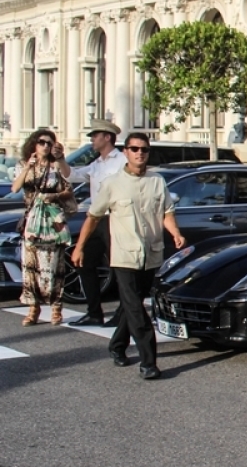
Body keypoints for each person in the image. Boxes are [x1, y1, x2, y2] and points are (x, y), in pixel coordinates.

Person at [72, 132, 184, 379]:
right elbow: (93, 217)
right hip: (123, 254)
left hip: (151, 254)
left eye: (144, 149)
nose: (139, 153)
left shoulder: (157, 181)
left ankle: (117, 345)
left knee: (129, 304)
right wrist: (79, 247)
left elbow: (167, 211)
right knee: (136, 308)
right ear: (126, 152)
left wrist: (175, 232)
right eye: (134, 149)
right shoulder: (112, 183)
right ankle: (148, 362)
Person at [63, 119, 126, 326]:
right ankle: (94, 311)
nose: (91, 139)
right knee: (84, 261)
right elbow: (72, 175)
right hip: (97, 218)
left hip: (115, 218)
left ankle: (123, 312)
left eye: (95, 136)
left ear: (107, 137)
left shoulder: (121, 160)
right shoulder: (96, 164)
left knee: (119, 267)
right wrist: (59, 159)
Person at [12, 129, 75, 326]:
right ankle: (33, 309)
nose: (46, 146)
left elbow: (69, 185)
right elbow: (15, 188)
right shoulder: (24, 165)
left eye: (49, 143)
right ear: (34, 144)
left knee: (54, 265)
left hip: (53, 221)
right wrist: (27, 168)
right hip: (32, 221)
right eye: (42, 142)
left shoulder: (56, 166)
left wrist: (54, 196)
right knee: (31, 267)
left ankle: (56, 308)